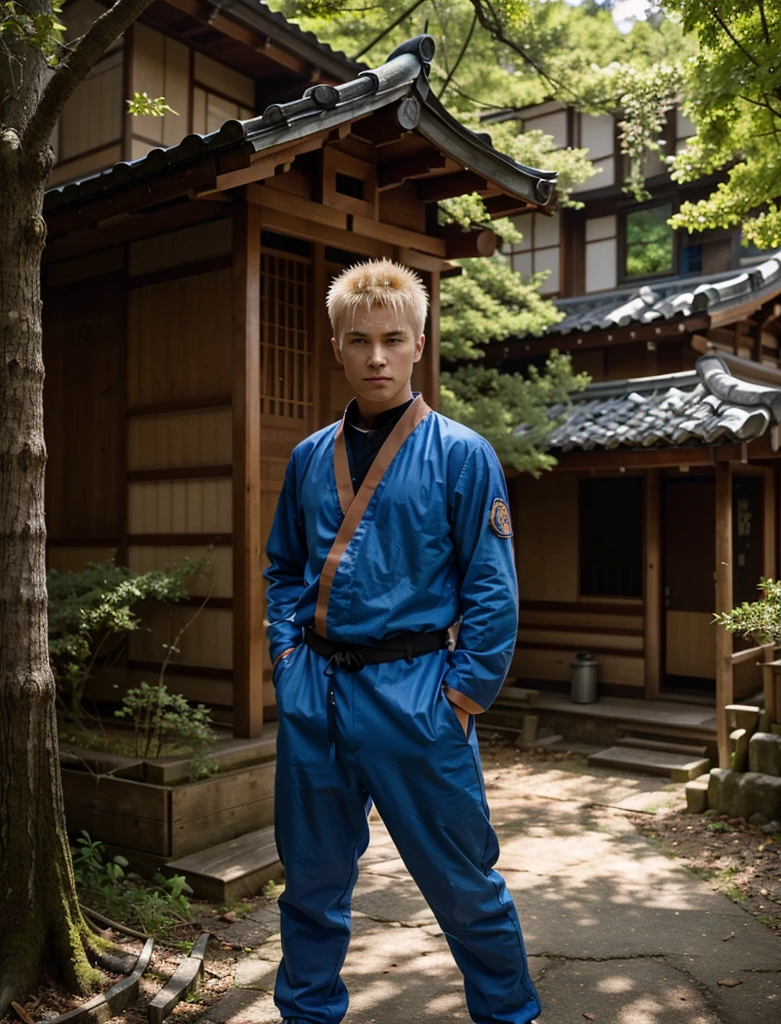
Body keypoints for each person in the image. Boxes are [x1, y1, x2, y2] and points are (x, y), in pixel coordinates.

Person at [264, 258, 541, 1024]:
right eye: (360, 341)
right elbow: (283, 567)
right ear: (337, 348)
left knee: (463, 882)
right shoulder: (308, 457)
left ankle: (507, 1016)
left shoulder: (462, 454)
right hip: (316, 690)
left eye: (393, 339)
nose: (376, 357)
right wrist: (287, 661)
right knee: (312, 882)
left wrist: (461, 694)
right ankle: (308, 1014)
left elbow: (493, 588)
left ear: (420, 344)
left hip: (418, 693)